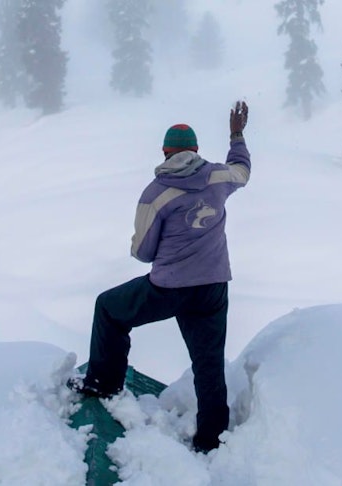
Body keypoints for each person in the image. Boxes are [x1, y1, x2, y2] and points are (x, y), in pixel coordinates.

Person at [77, 101, 250, 453]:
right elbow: (242, 171)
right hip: (214, 287)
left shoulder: (156, 195)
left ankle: (102, 384)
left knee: (109, 309)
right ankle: (211, 441)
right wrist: (236, 135)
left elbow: (143, 252)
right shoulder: (218, 177)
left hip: (168, 288)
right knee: (208, 363)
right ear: (197, 150)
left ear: (165, 151)